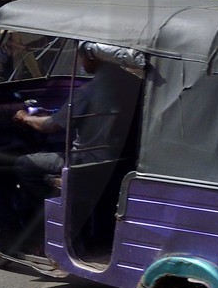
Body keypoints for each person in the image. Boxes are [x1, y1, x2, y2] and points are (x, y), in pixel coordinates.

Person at [9, 42, 137, 194]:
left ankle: (44, 206)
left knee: (24, 164)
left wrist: (25, 117)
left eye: (81, 57)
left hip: (87, 162)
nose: (80, 61)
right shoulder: (136, 84)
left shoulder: (87, 92)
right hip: (123, 161)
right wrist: (53, 114)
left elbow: (50, 126)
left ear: (93, 58)